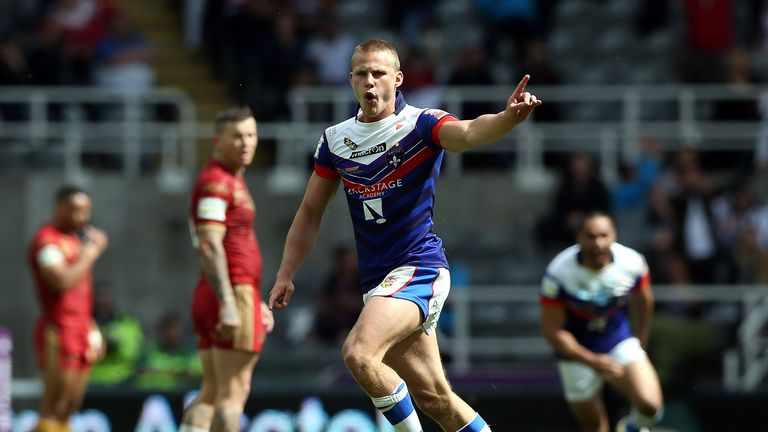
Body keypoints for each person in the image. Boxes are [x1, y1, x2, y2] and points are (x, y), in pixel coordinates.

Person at [269, 39, 541, 432]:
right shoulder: (335, 140)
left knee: (359, 354)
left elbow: (467, 134)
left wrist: (507, 119)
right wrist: (285, 273)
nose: (370, 81)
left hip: (419, 270)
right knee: (436, 400)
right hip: (378, 284)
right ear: (350, 81)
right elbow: (310, 213)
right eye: (361, 73)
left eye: (378, 73)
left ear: (397, 79)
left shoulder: (422, 124)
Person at [179, 107, 275, 432]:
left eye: (251, 135)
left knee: (211, 392)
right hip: (230, 292)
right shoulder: (217, 183)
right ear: (217, 141)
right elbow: (210, 245)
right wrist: (232, 303)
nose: (246, 143)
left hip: (217, 290)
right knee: (233, 395)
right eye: (237, 136)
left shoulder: (226, 179)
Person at [539, 212, 664, 432]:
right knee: (595, 427)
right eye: (591, 236)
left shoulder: (632, 262)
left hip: (617, 339)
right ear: (579, 238)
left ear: (614, 235)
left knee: (651, 406)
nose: (598, 244)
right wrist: (593, 361)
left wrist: (640, 341)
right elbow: (552, 331)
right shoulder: (558, 273)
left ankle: (630, 428)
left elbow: (644, 300)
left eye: (604, 236)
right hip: (576, 352)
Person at [27, 186, 109, 432]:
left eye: (87, 211)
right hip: (59, 330)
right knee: (55, 405)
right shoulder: (46, 241)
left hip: (80, 329)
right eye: (76, 210)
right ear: (60, 208)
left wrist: (92, 327)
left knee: (70, 405)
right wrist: (92, 253)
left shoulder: (73, 241)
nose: (83, 217)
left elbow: (80, 296)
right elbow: (61, 281)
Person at [135, 312, 202, 390]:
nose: (172, 333)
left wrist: (159, 373)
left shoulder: (191, 355)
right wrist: (176, 374)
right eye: (169, 329)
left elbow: (195, 374)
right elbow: (142, 373)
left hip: (183, 394)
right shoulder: (149, 354)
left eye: (175, 329)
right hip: (157, 394)